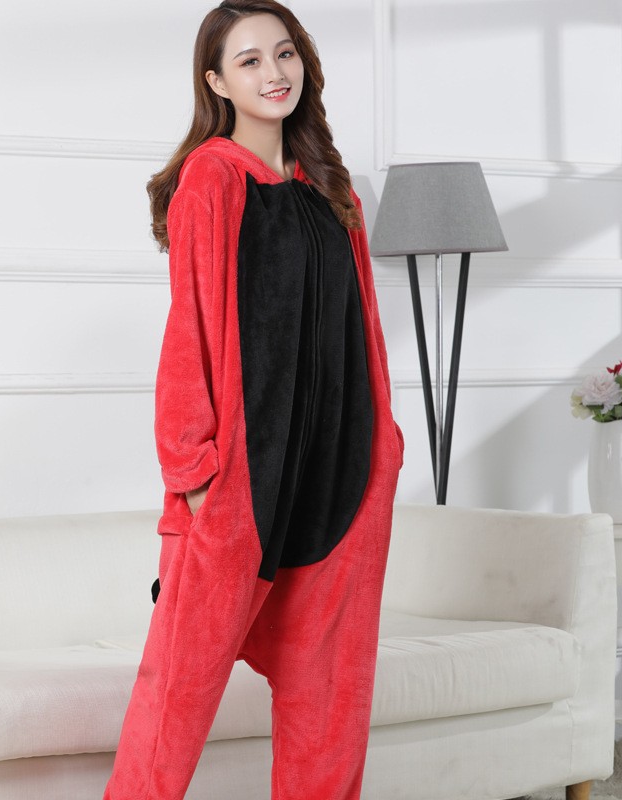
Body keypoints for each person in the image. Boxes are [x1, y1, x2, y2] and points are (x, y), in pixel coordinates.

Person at [103, 1, 403, 798]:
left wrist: (385, 447)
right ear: (216, 82)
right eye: (250, 61)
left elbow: (365, 331)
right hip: (238, 486)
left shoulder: (332, 188)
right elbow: (189, 332)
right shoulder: (212, 178)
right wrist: (194, 474)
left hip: (339, 479)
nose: (275, 73)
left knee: (329, 698)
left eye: (285, 53)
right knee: (177, 693)